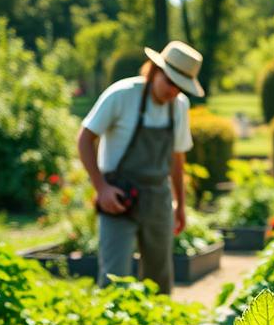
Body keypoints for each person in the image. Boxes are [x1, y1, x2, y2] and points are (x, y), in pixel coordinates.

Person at [77, 41, 204, 293]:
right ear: (155, 70)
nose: (173, 92)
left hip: (158, 198)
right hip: (119, 196)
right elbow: (84, 138)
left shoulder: (179, 106)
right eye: (169, 82)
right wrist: (101, 188)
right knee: (115, 279)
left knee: (160, 276)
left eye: (180, 87)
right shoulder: (121, 95)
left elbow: (176, 158)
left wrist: (180, 206)